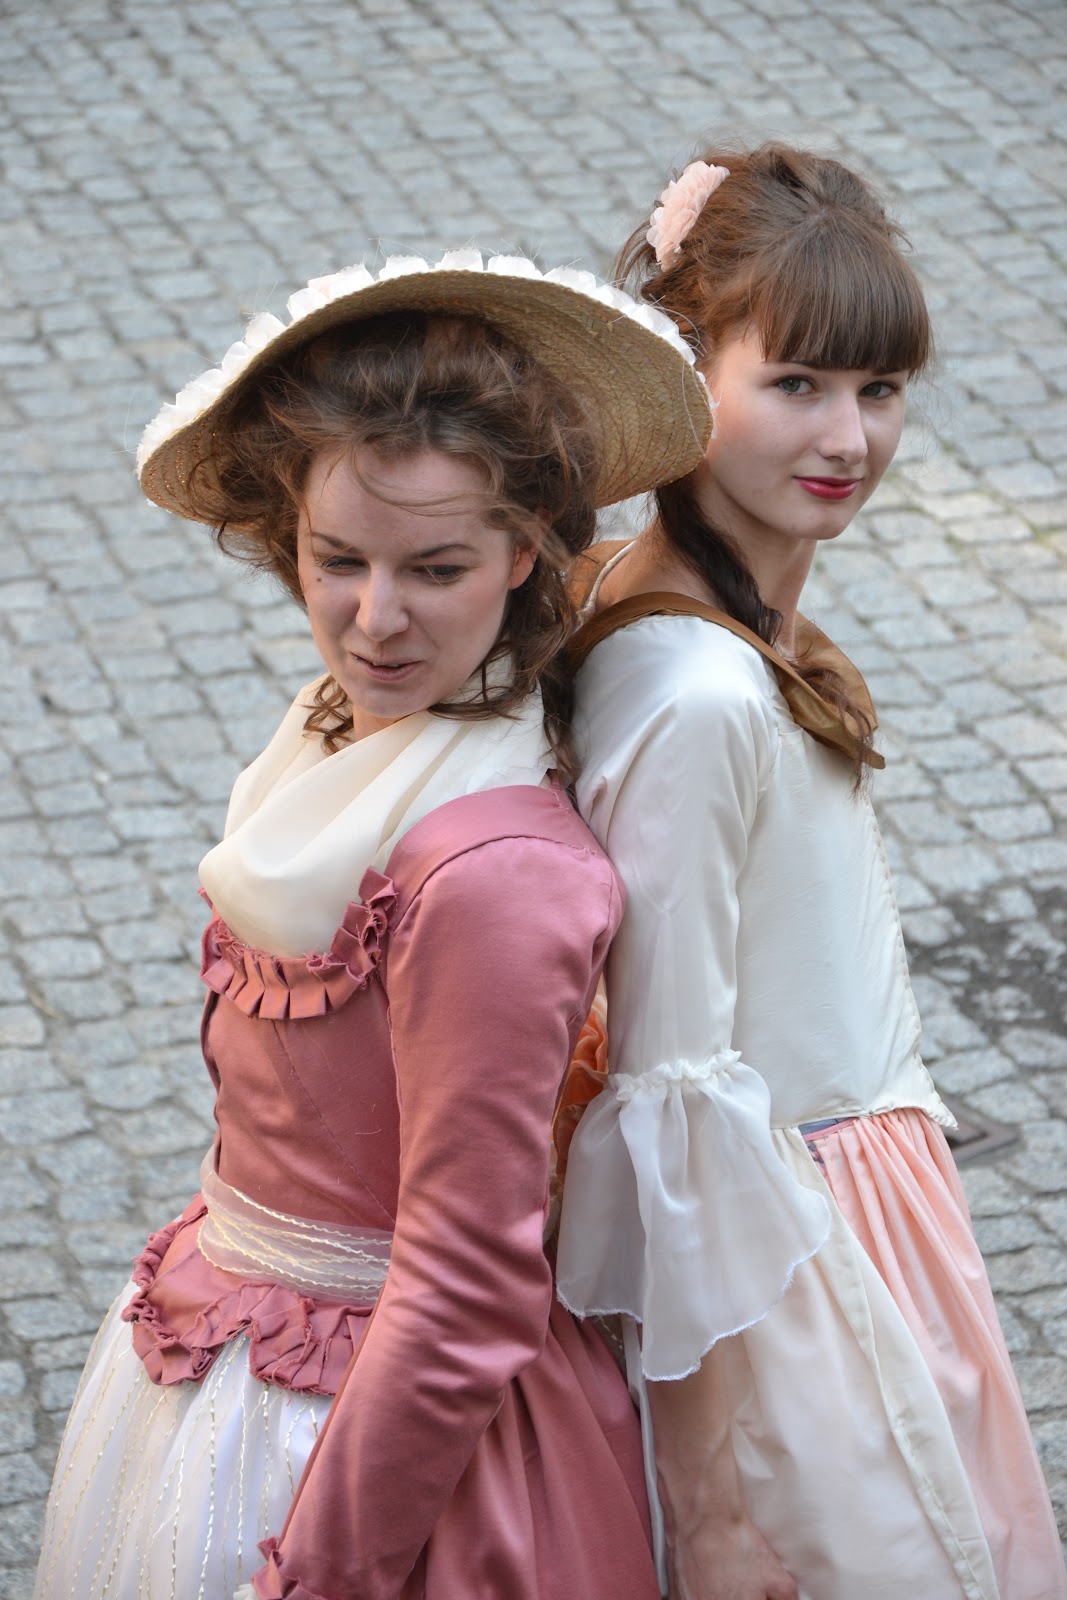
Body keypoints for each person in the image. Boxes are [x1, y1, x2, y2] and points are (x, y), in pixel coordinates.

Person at [32, 249, 712, 1600]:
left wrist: (323, 1573)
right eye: (335, 558)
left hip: (366, 1450)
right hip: (234, 1342)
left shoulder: (493, 871)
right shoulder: (336, 739)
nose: (374, 619)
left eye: (436, 567)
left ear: (527, 550)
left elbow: (463, 1287)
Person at [556, 145, 1066, 1600]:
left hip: (850, 1212)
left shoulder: (714, 618)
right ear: (684, 374)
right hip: (784, 1282)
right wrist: (713, 1508)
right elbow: (668, 1097)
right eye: (795, 385)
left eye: (880, 388)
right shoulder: (696, 694)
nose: (850, 436)